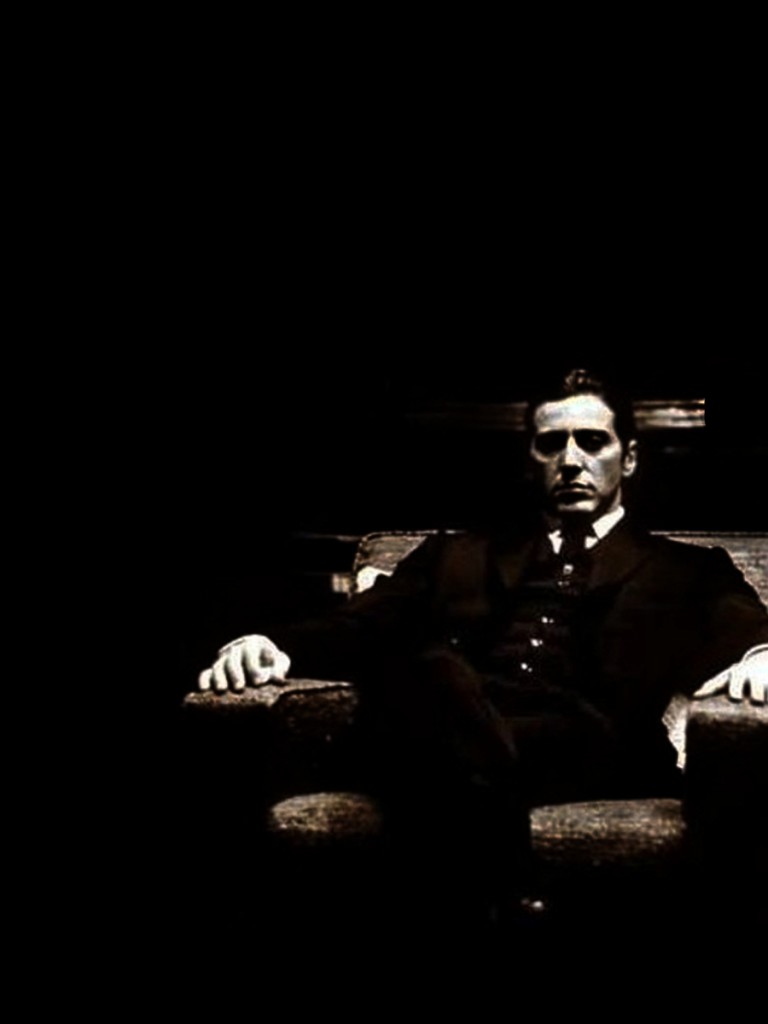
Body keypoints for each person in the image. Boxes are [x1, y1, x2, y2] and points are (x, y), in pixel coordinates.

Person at [196, 368, 768, 917]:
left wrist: (763, 656)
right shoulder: (454, 554)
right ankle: (508, 893)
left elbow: (749, 627)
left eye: (592, 441)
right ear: (530, 459)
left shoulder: (687, 569)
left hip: (589, 747)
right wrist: (268, 642)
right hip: (443, 723)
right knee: (427, 671)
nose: (571, 460)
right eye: (551, 444)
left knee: (429, 693)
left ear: (630, 457)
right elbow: (361, 624)